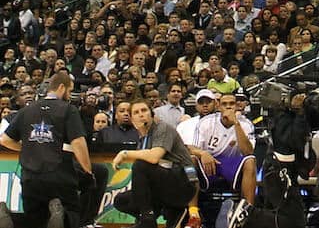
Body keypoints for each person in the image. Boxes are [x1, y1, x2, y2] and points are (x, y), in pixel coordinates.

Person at [0, 72, 93, 228]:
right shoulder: (68, 109)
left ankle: (10, 218)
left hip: (30, 176)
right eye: (69, 91)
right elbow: (78, 143)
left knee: (35, 220)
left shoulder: (26, 110)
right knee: (72, 213)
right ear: (62, 88)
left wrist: (28, 147)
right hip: (59, 174)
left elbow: (4, 139)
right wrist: (88, 171)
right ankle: (61, 218)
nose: (70, 96)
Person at [109, 99, 198, 228]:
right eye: (136, 112)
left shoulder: (162, 128)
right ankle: (153, 215)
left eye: (144, 110)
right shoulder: (143, 137)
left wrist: (124, 153)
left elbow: (154, 157)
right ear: (132, 119)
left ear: (151, 114)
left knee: (140, 165)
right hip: (163, 185)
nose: (141, 114)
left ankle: (147, 219)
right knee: (121, 200)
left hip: (184, 184)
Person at [182, 91, 257, 228]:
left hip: (232, 164)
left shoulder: (246, 124)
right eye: (224, 104)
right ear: (218, 107)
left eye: (232, 104)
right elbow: (191, 148)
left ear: (237, 106)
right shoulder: (206, 122)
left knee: (250, 160)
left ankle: (247, 213)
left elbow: (248, 151)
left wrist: (236, 124)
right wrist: (203, 153)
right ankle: (193, 214)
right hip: (209, 163)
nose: (228, 107)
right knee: (190, 160)